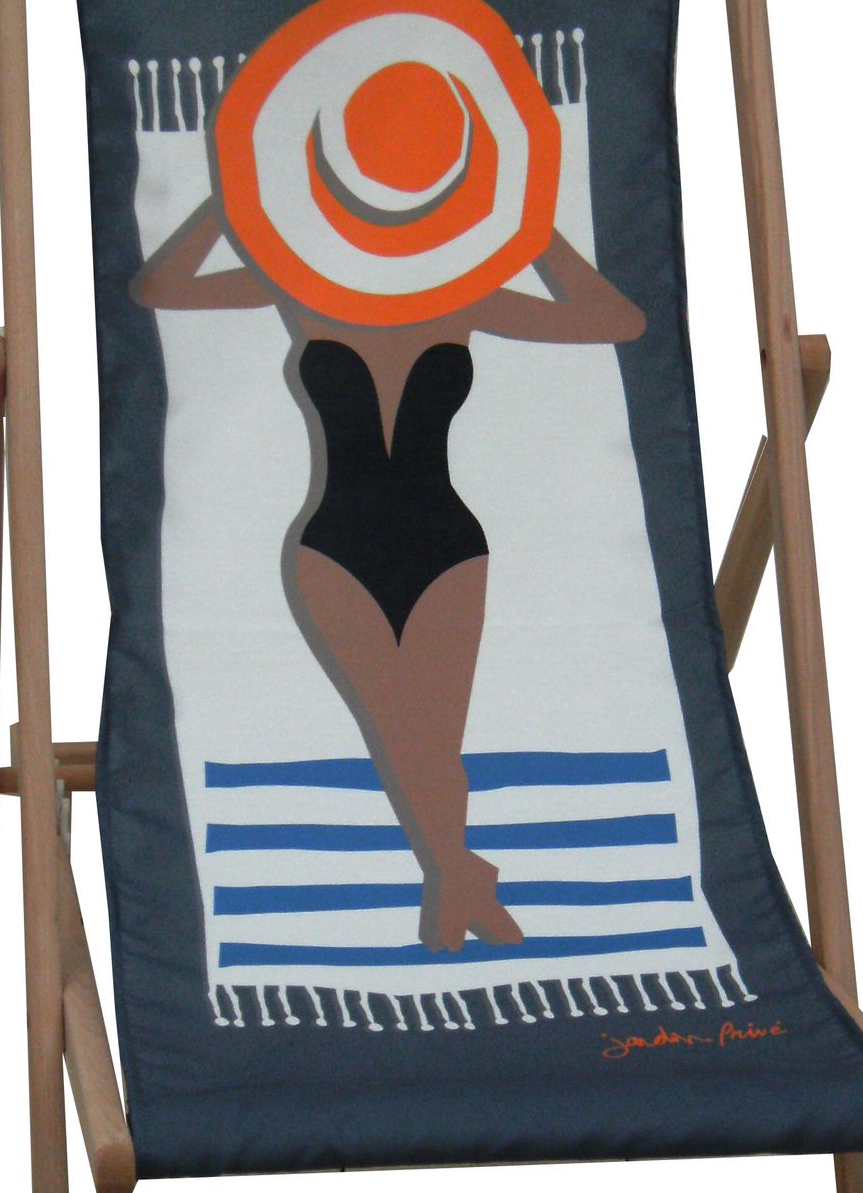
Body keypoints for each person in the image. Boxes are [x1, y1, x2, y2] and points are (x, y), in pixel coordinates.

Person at [133, 197, 645, 953]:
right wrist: (231, 197)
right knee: (403, 732)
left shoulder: (463, 294)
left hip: (449, 548)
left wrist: (535, 226)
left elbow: (617, 320)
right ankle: (463, 878)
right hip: (334, 551)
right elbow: (159, 287)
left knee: (433, 744)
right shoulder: (305, 286)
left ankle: (458, 885)